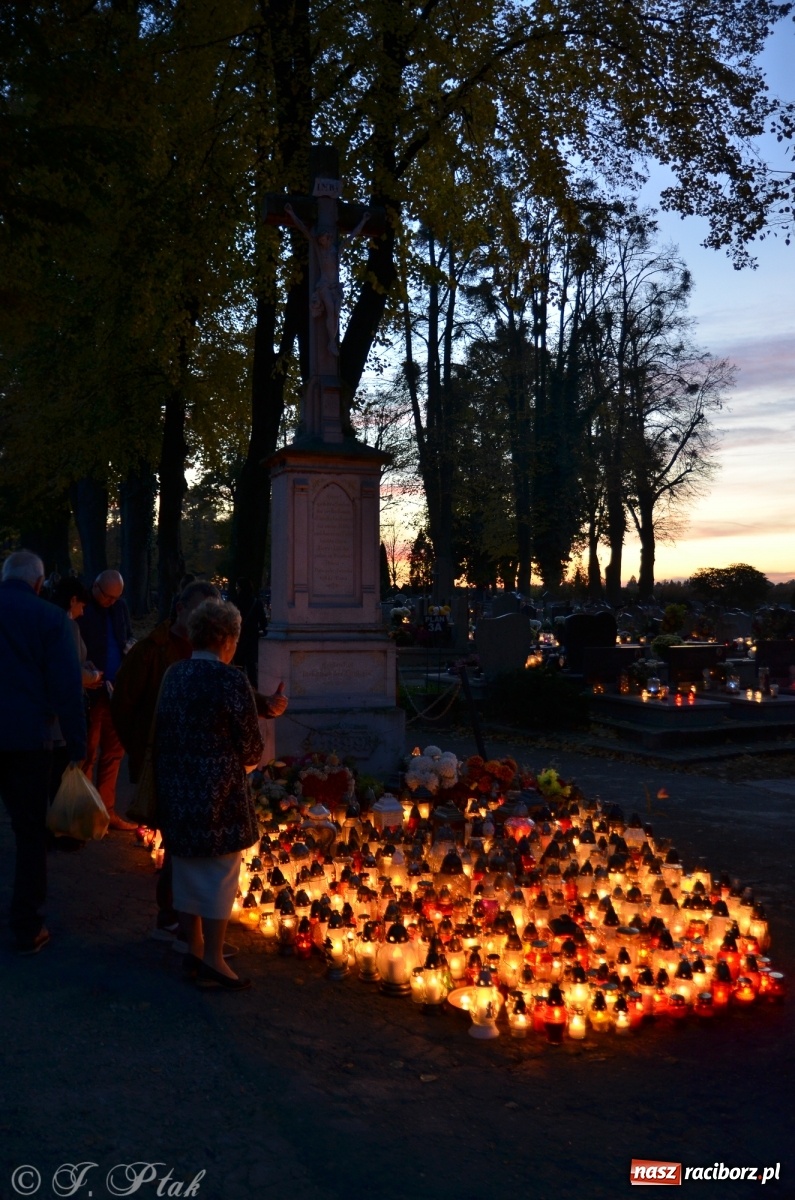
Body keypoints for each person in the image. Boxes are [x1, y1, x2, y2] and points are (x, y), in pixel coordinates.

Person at [153, 599, 263, 991]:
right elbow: (252, 748)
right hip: (221, 797)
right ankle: (215, 960)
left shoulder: (174, 674)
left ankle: (195, 951)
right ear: (227, 640)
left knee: (185, 872)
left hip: (177, 792)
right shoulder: (231, 680)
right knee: (219, 876)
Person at [112, 579, 221, 939]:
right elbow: (124, 705)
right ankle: (173, 917)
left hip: (200, 767)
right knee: (177, 841)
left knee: (186, 841)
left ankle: (182, 917)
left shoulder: (214, 652)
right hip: (164, 762)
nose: (207, 620)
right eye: (200, 610)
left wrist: (263, 703)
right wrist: (142, 750)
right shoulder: (151, 652)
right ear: (180, 609)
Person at [0, 550, 86, 953]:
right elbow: (67, 687)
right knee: (31, 832)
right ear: (38, 583)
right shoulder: (51, 619)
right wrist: (77, 744)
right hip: (28, 740)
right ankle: (26, 924)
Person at [47, 578, 104, 851]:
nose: (84, 610)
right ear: (73, 601)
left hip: (50, 710)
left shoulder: (48, 620)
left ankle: (55, 827)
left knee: (54, 772)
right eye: (82, 604)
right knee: (64, 769)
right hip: (63, 711)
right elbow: (70, 671)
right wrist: (92, 676)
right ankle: (65, 829)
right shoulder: (67, 626)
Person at [77, 569, 136, 830]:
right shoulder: (85, 608)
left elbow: (126, 635)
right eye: (108, 597)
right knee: (88, 751)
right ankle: (87, 811)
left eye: (116, 598)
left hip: (116, 689)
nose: (111, 602)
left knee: (114, 752)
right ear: (96, 588)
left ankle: (106, 810)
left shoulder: (119, 607)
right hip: (92, 690)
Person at [230, 577, 268, 689]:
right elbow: (263, 622)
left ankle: (238, 688)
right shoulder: (256, 603)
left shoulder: (234, 602)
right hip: (252, 638)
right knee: (251, 667)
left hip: (238, 637)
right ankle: (254, 691)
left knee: (238, 665)